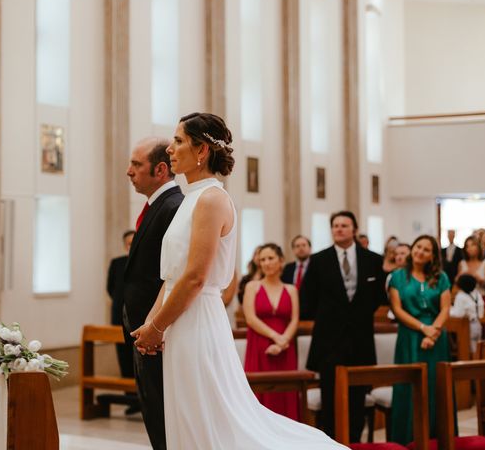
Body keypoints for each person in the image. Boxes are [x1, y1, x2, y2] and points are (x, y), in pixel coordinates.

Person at [131, 113, 343, 449]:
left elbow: (196, 277)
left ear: (202, 150)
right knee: (185, 411)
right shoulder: (190, 198)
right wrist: (152, 324)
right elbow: (171, 277)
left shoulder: (212, 199)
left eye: (179, 141)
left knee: (209, 413)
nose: (170, 149)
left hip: (198, 320)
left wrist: (157, 325)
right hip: (180, 320)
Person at [301, 210, 386, 441]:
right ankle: (331, 443)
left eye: (344, 225)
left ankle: (355, 443)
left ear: (354, 230)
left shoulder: (373, 259)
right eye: (335, 225)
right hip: (329, 341)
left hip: (360, 340)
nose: (339, 229)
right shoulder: (319, 260)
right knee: (331, 399)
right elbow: (307, 299)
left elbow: (379, 296)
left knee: (358, 398)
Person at [122, 138, 184, 450]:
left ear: (160, 169)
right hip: (144, 332)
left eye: (136, 164)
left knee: (163, 416)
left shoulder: (172, 206)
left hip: (155, 333)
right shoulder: (155, 206)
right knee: (153, 412)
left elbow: (172, 275)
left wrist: (154, 325)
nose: (128, 171)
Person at [389, 235, 451, 444]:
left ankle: (438, 437)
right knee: (410, 387)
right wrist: (423, 328)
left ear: (433, 256)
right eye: (418, 247)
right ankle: (406, 439)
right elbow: (397, 310)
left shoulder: (441, 277)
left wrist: (433, 331)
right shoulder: (398, 276)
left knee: (436, 385)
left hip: (436, 337)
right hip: (410, 336)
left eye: (426, 249)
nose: (420, 252)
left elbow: (445, 308)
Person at [243, 243, 300, 420]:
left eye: (270, 258)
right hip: (260, 347)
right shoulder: (252, 286)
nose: (266, 263)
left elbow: (294, 319)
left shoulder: (291, 290)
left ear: (281, 261)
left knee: (285, 395)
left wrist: (283, 342)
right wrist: (276, 337)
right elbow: (250, 318)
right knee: (260, 398)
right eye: (262, 260)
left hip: (285, 349)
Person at [106, 229, 139, 414]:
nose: (131, 245)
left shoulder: (144, 261)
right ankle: (130, 399)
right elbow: (110, 288)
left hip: (139, 318)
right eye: (128, 243)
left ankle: (142, 398)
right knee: (123, 358)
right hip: (118, 316)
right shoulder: (117, 263)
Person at [450, 274, 485, 353]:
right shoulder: (477, 294)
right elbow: (481, 311)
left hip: (467, 326)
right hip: (478, 323)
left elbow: (458, 314)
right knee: (477, 350)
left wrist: (448, 310)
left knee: (468, 351)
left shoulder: (460, 296)